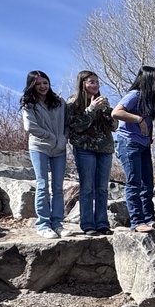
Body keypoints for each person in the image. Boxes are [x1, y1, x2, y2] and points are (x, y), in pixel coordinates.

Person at [113, 66, 155, 232]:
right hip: (128, 143)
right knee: (134, 182)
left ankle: (149, 220)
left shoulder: (151, 99)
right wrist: (139, 120)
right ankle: (137, 221)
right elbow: (116, 112)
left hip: (143, 145)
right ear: (148, 80)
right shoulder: (135, 95)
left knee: (147, 183)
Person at [66, 70, 117, 236]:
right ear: (82, 83)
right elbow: (77, 126)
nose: (95, 85)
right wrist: (91, 109)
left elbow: (113, 126)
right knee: (87, 187)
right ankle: (88, 224)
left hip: (105, 149)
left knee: (102, 188)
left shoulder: (102, 102)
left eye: (96, 82)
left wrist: (107, 110)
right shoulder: (73, 103)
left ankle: (102, 223)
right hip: (85, 149)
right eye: (91, 82)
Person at [20, 70, 68, 239]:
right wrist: (51, 136)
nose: (42, 87)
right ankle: (43, 224)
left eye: (45, 83)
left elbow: (67, 124)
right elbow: (30, 127)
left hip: (59, 149)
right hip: (39, 147)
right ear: (32, 85)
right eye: (38, 84)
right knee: (42, 185)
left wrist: (63, 138)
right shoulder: (28, 104)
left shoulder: (60, 102)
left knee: (58, 187)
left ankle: (57, 224)